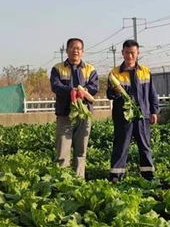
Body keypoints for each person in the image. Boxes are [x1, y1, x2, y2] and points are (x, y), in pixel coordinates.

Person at [107, 39, 159, 182]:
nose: (130, 56)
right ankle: (116, 177)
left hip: (143, 115)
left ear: (138, 54)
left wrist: (154, 111)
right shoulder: (115, 73)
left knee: (145, 146)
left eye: (133, 53)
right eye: (127, 53)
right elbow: (109, 95)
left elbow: (152, 93)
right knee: (121, 146)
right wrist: (115, 90)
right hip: (123, 117)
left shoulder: (145, 72)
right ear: (122, 53)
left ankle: (148, 176)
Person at [50, 37, 99, 179]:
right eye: (72, 47)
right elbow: (56, 86)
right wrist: (72, 91)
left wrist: (83, 91)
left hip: (84, 115)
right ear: (67, 50)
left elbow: (94, 88)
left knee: (81, 151)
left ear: (82, 51)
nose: (75, 51)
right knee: (62, 151)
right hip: (65, 115)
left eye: (78, 48)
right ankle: (62, 181)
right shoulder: (58, 68)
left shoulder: (90, 69)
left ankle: (79, 180)